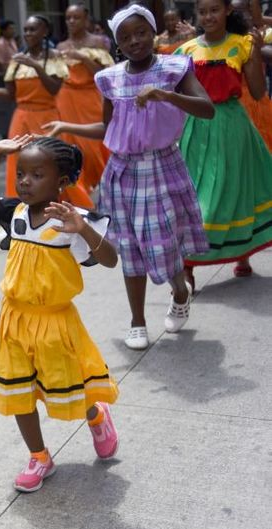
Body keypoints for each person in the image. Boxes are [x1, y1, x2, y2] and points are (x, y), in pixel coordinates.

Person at [45, 4, 215, 350]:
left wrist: (165, 95)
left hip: (164, 165)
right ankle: (137, 320)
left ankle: (179, 290)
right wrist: (66, 125)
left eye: (141, 33)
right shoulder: (110, 78)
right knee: (131, 248)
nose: (135, 40)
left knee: (164, 244)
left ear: (153, 33)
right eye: (125, 37)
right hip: (123, 170)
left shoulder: (174, 68)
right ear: (117, 44)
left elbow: (207, 109)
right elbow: (109, 127)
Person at [0, 135, 120, 493]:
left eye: (37, 175)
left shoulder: (74, 219)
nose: (25, 181)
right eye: (21, 173)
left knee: (68, 386)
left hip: (55, 321)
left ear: (63, 182)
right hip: (15, 320)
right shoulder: (15, 213)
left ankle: (95, 415)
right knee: (19, 391)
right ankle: (39, 456)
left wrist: (82, 228)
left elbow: (111, 260)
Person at [175, 0, 272, 281]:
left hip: (231, 126)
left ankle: (241, 254)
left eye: (214, 10)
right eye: (203, 11)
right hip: (195, 127)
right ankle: (188, 265)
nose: (208, 16)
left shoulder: (242, 44)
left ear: (227, 11)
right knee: (196, 196)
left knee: (233, 190)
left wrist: (254, 54)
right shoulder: (186, 50)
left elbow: (255, 92)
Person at [0, 16, 95, 209]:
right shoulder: (17, 60)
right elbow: (10, 95)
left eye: (33, 29)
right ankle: (19, 210)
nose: (27, 34)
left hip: (47, 119)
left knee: (52, 165)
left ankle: (70, 209)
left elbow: (54, 89)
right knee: (20, 166)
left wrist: (34, 65)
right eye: (25, 30)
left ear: (45, 32)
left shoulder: (55, 56)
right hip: (21, 118)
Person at [55, 4, 114, 194]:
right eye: (68, 18)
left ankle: (105, 187)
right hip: (66, 100)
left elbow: (103, 74)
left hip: (91, 99)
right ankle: (79, 192)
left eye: (76, 17)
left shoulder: (99, 42)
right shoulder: (60, 46)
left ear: (86, 19)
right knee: (70, 148)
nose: (71, 21)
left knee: (95, 147)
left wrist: (81, 57)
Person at [232, 0, 272, 151]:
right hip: (233, 107)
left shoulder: (251, 38)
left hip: (256, 103)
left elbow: (258, 19)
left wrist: (259, 48)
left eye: (245, 10)